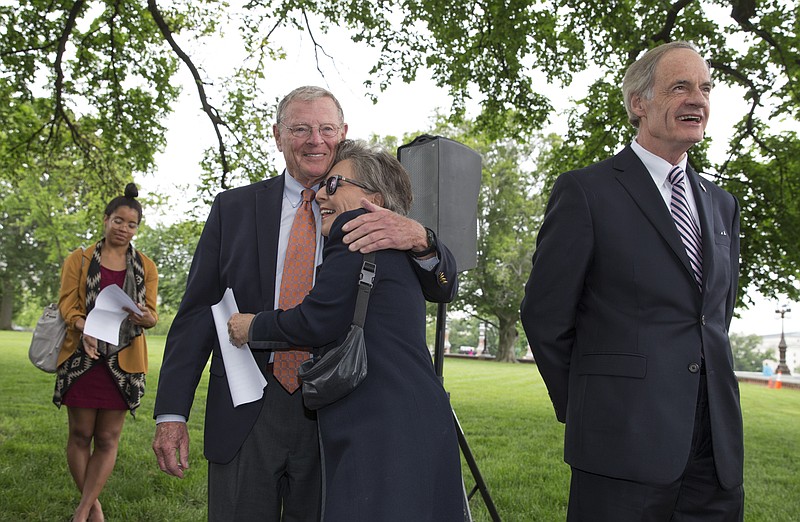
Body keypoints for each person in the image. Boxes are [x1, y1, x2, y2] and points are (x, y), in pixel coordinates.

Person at [152, 86, 458, 521]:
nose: (315, 140)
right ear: (278, 135)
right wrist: (170, 413)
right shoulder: (233, 209)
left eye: (326, 128)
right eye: (300, 129)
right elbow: (198, 314)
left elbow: (442, 286)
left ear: (343, 133)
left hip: (338, 409)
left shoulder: (376, 215)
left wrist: (423, 239)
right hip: (247, 409)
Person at [520, 41, 743, 521]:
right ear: (638, 103)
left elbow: (714, 315)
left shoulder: (722, 204)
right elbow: (544, 317)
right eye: (680, 86)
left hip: (714, 453)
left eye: (705, 88)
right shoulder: (586, 191)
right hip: (621, 446)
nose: (698, 99)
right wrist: (590, 406)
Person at [227, 139, 465, 521]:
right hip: (412, 418)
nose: (320, 193)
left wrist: (252, 325)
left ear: (375, 199)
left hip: (378, 426)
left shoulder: (356, 234)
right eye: (323, 185)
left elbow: (318, 319)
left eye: (334, 185)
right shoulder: (389, 245)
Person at [54, 182, 159, 522]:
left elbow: (153, 316)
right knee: (81, 435)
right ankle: (94, 507)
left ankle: (83, 510)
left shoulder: (146, 266)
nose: (124, 229)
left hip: (124, 360)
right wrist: (85, 328)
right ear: (106, 219)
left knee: (108, 437)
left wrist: (144, 316)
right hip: (83, 357)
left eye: (131, 224)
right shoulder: (80, 259)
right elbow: (67, 306)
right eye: (118, 221)